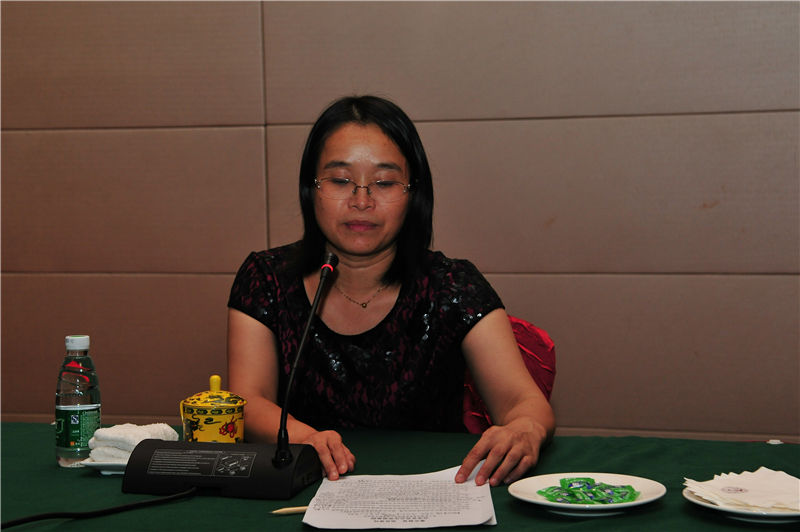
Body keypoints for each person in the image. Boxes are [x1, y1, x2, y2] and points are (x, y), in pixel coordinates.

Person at [227, 95, 555, 487]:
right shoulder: (266, 278)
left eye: (384, 183)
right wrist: (305, 437)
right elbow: (247, 401)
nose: (361, 201)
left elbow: (523, 402)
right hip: (307, 488)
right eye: (340, 180)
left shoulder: (453, 285)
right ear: (310, 189)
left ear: (414, 194)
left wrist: (526, 427)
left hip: (434, 493)